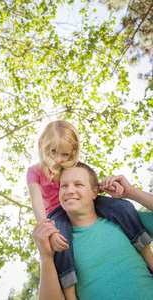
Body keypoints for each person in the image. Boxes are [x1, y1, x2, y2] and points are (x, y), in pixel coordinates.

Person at [27, 120, 153, 298]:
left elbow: (89, 182)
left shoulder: (73, 165)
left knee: (123, 206)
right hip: (55, 215)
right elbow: (36, 203)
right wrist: (47, 231)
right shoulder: (34, 171)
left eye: (64, 154)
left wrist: (129, 192)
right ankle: (70, 294)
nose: (58, 159)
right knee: (62, 245)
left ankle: (148, 256)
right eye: (64, 185)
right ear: (41, 145)